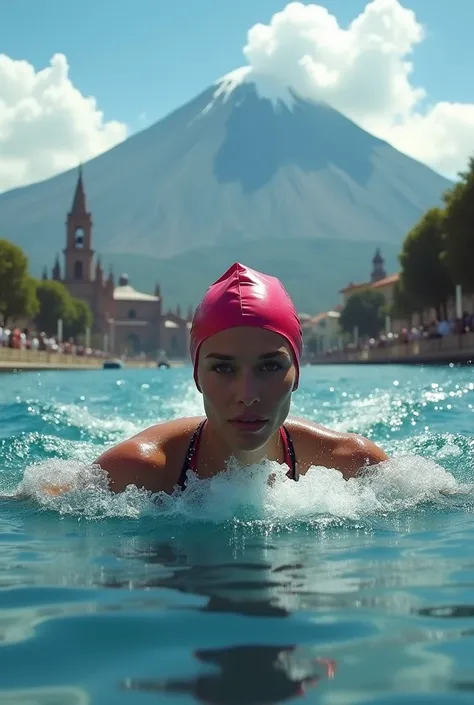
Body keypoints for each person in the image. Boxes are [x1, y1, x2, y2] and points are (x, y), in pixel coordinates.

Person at [95, 262, 388, 495]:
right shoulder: (136, 471)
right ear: (197, 377)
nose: (247, 394)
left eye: (270, 366)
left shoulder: (351, 463)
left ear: (296, 374)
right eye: (223, 369)